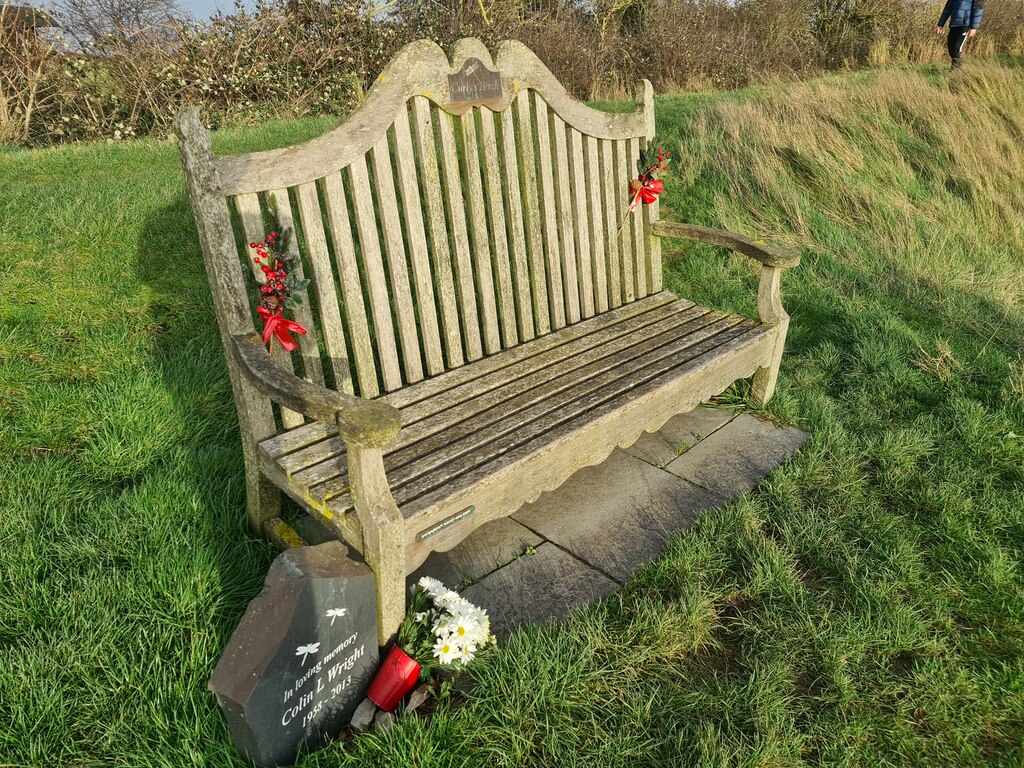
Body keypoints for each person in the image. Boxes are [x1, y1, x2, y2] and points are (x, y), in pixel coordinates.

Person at [936, 0, 985, 69]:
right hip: (954, 24)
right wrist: (940, 24)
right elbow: (947, 9)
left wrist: (974, 27)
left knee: (957, 48)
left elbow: (978, 10)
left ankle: (955, 70)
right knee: (951, 48)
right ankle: (958, 67)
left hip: (965, 24)